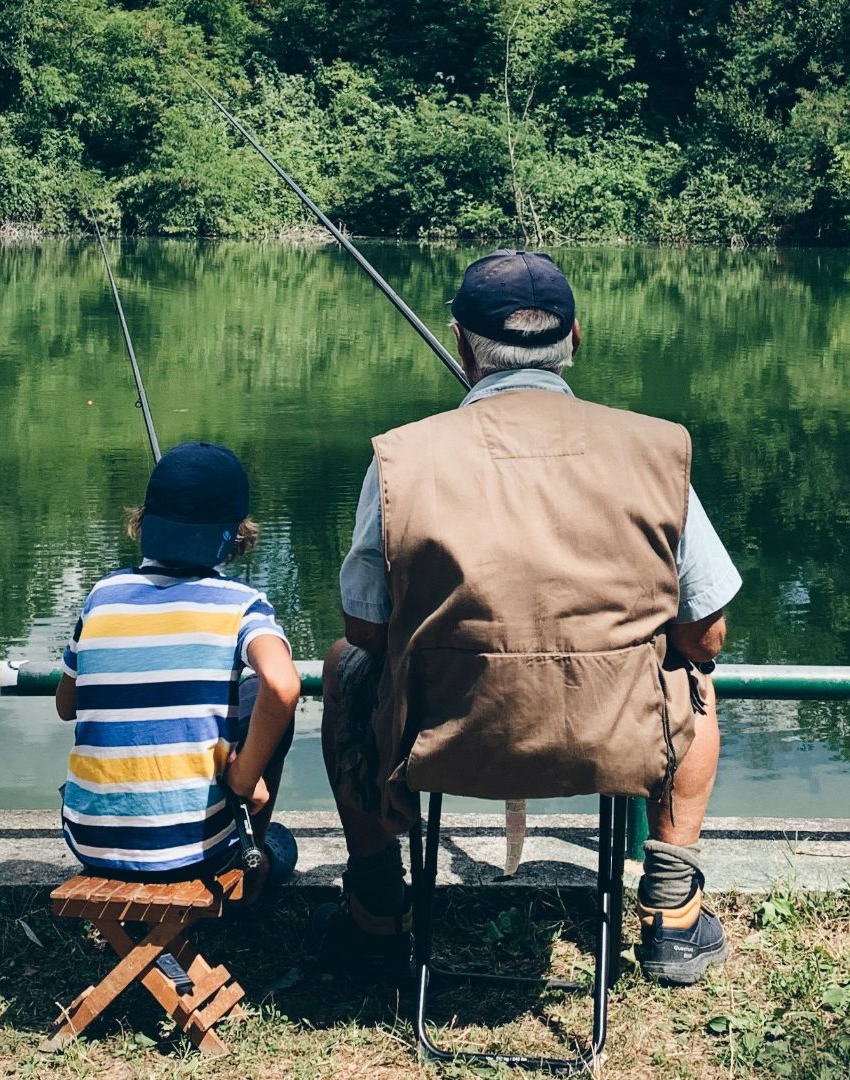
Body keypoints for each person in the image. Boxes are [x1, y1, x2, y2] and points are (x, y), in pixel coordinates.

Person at [316, 250, 742, 985]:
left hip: (442, 740)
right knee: (696, 684)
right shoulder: (657, 448)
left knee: (343, 669)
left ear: (459, 343)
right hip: (617, 741)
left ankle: (378, 907)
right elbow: (705, 635)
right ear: (576, 337)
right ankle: (672, 915)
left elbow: (366, 632)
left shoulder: (400, 460)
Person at [55, 442, 301, 899]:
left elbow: (66, 706)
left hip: (90, 841)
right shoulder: (243, 605)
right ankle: (255, 861)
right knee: (284, 845)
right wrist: (246, 777)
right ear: (236, 535)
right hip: (196, 852)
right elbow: (283, 686)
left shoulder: (102, 596)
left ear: (144, 522)